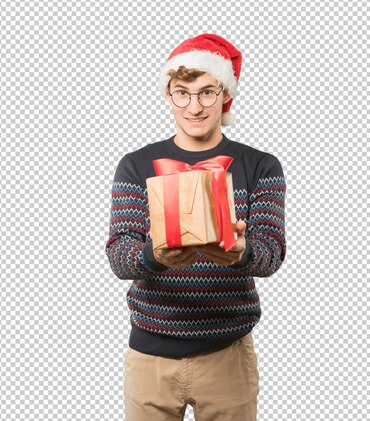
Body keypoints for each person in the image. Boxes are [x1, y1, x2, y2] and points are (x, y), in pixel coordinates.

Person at [105, 33, 286, 421]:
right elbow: (120, 257)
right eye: (182, 92)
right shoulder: (136, 165)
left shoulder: (260, 166)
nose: (195, 106)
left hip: (228, 357)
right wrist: (155, 255)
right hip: (149, 360)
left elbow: (271, 255)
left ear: (225, 95)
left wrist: (242, 252)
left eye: (207, 92)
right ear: (168, 95)